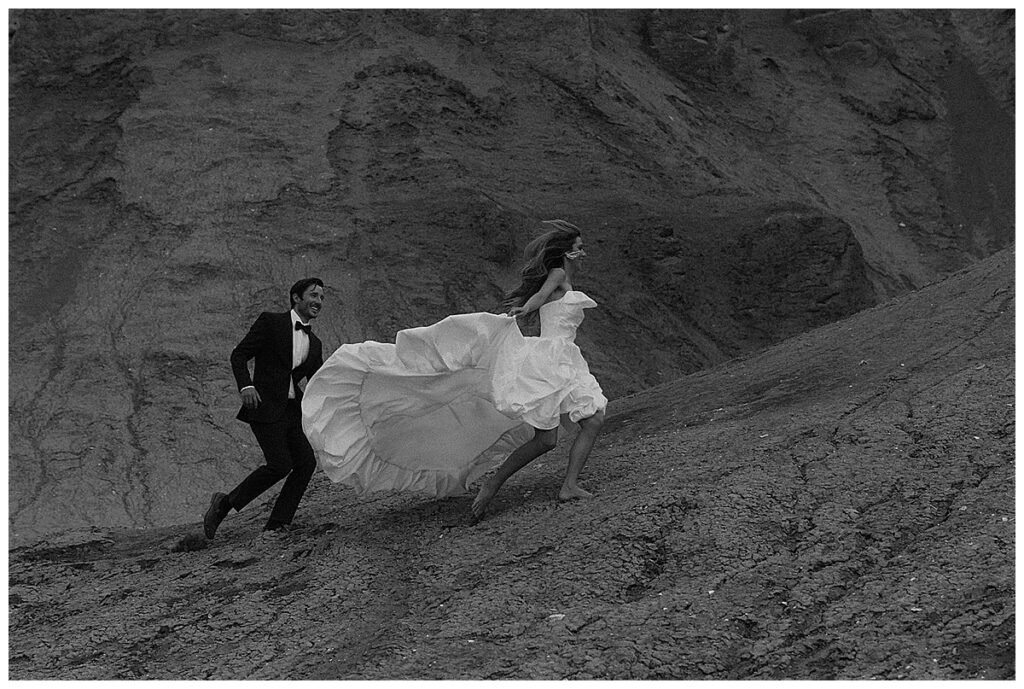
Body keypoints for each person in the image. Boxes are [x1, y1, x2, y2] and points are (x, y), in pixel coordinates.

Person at [301, 219, 606, 521]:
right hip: (549, 360)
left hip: (567, 358)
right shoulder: (557, 274)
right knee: (547, 439)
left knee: (591, 420)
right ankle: (494, 482)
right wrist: (525, 309)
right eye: (579, 248)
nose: (584, 252)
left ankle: (569, 484)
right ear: (567, 252)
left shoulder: (569, 280)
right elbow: (539, 298)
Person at [203, 277, 325, 540]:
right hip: (263, 405)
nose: (318, 302)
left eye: (321, 298)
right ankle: (223, 504)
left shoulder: (315, 344)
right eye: (313, 296)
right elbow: (239, 354)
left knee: (305, 464)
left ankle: (277, 524)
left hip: (293, 411)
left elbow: (320, 381)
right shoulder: (271, 322)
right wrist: (246, 386)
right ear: (296, 297)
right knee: (280, 464)